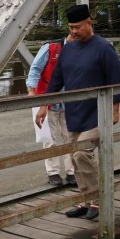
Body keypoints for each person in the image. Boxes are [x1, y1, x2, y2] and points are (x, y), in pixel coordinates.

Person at [36, 4, 120, 221]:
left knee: (82, 153)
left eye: (77, 27)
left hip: (98, 113)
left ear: (89, 24)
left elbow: (115, 80)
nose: (74, 31)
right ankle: (85, 201)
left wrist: (115, 109)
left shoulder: (103, 48)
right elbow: (56, 80)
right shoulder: (68, 50)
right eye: (71, 28)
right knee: (74, 157)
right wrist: (43, 106)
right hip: (74, 113)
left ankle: (98, 200)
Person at [26, 35, 76, 187]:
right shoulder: (50, 48)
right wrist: (31, 90)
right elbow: (35, 68)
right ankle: (53, 172)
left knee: (70, 136)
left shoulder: (79, 50)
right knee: (49, 138)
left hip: (69, 100)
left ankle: (72, 172)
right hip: (47, 100)